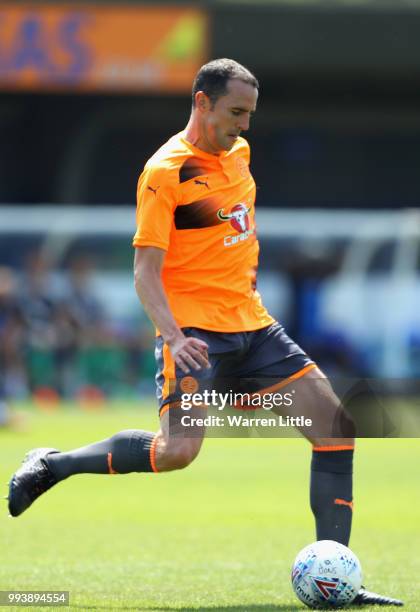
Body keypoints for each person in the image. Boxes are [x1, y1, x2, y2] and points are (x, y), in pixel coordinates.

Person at [8, 59, 402, 607]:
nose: (245, 125)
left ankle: (339, 580)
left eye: (250, 114)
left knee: (336, 428)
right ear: (201, 103)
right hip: (195, 335)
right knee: (177, 452)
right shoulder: (165, 172)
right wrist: (172, 336)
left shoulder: (238, 154)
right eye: (236, 112)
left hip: (254, 327)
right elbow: (145, 272)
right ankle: (54, 464)